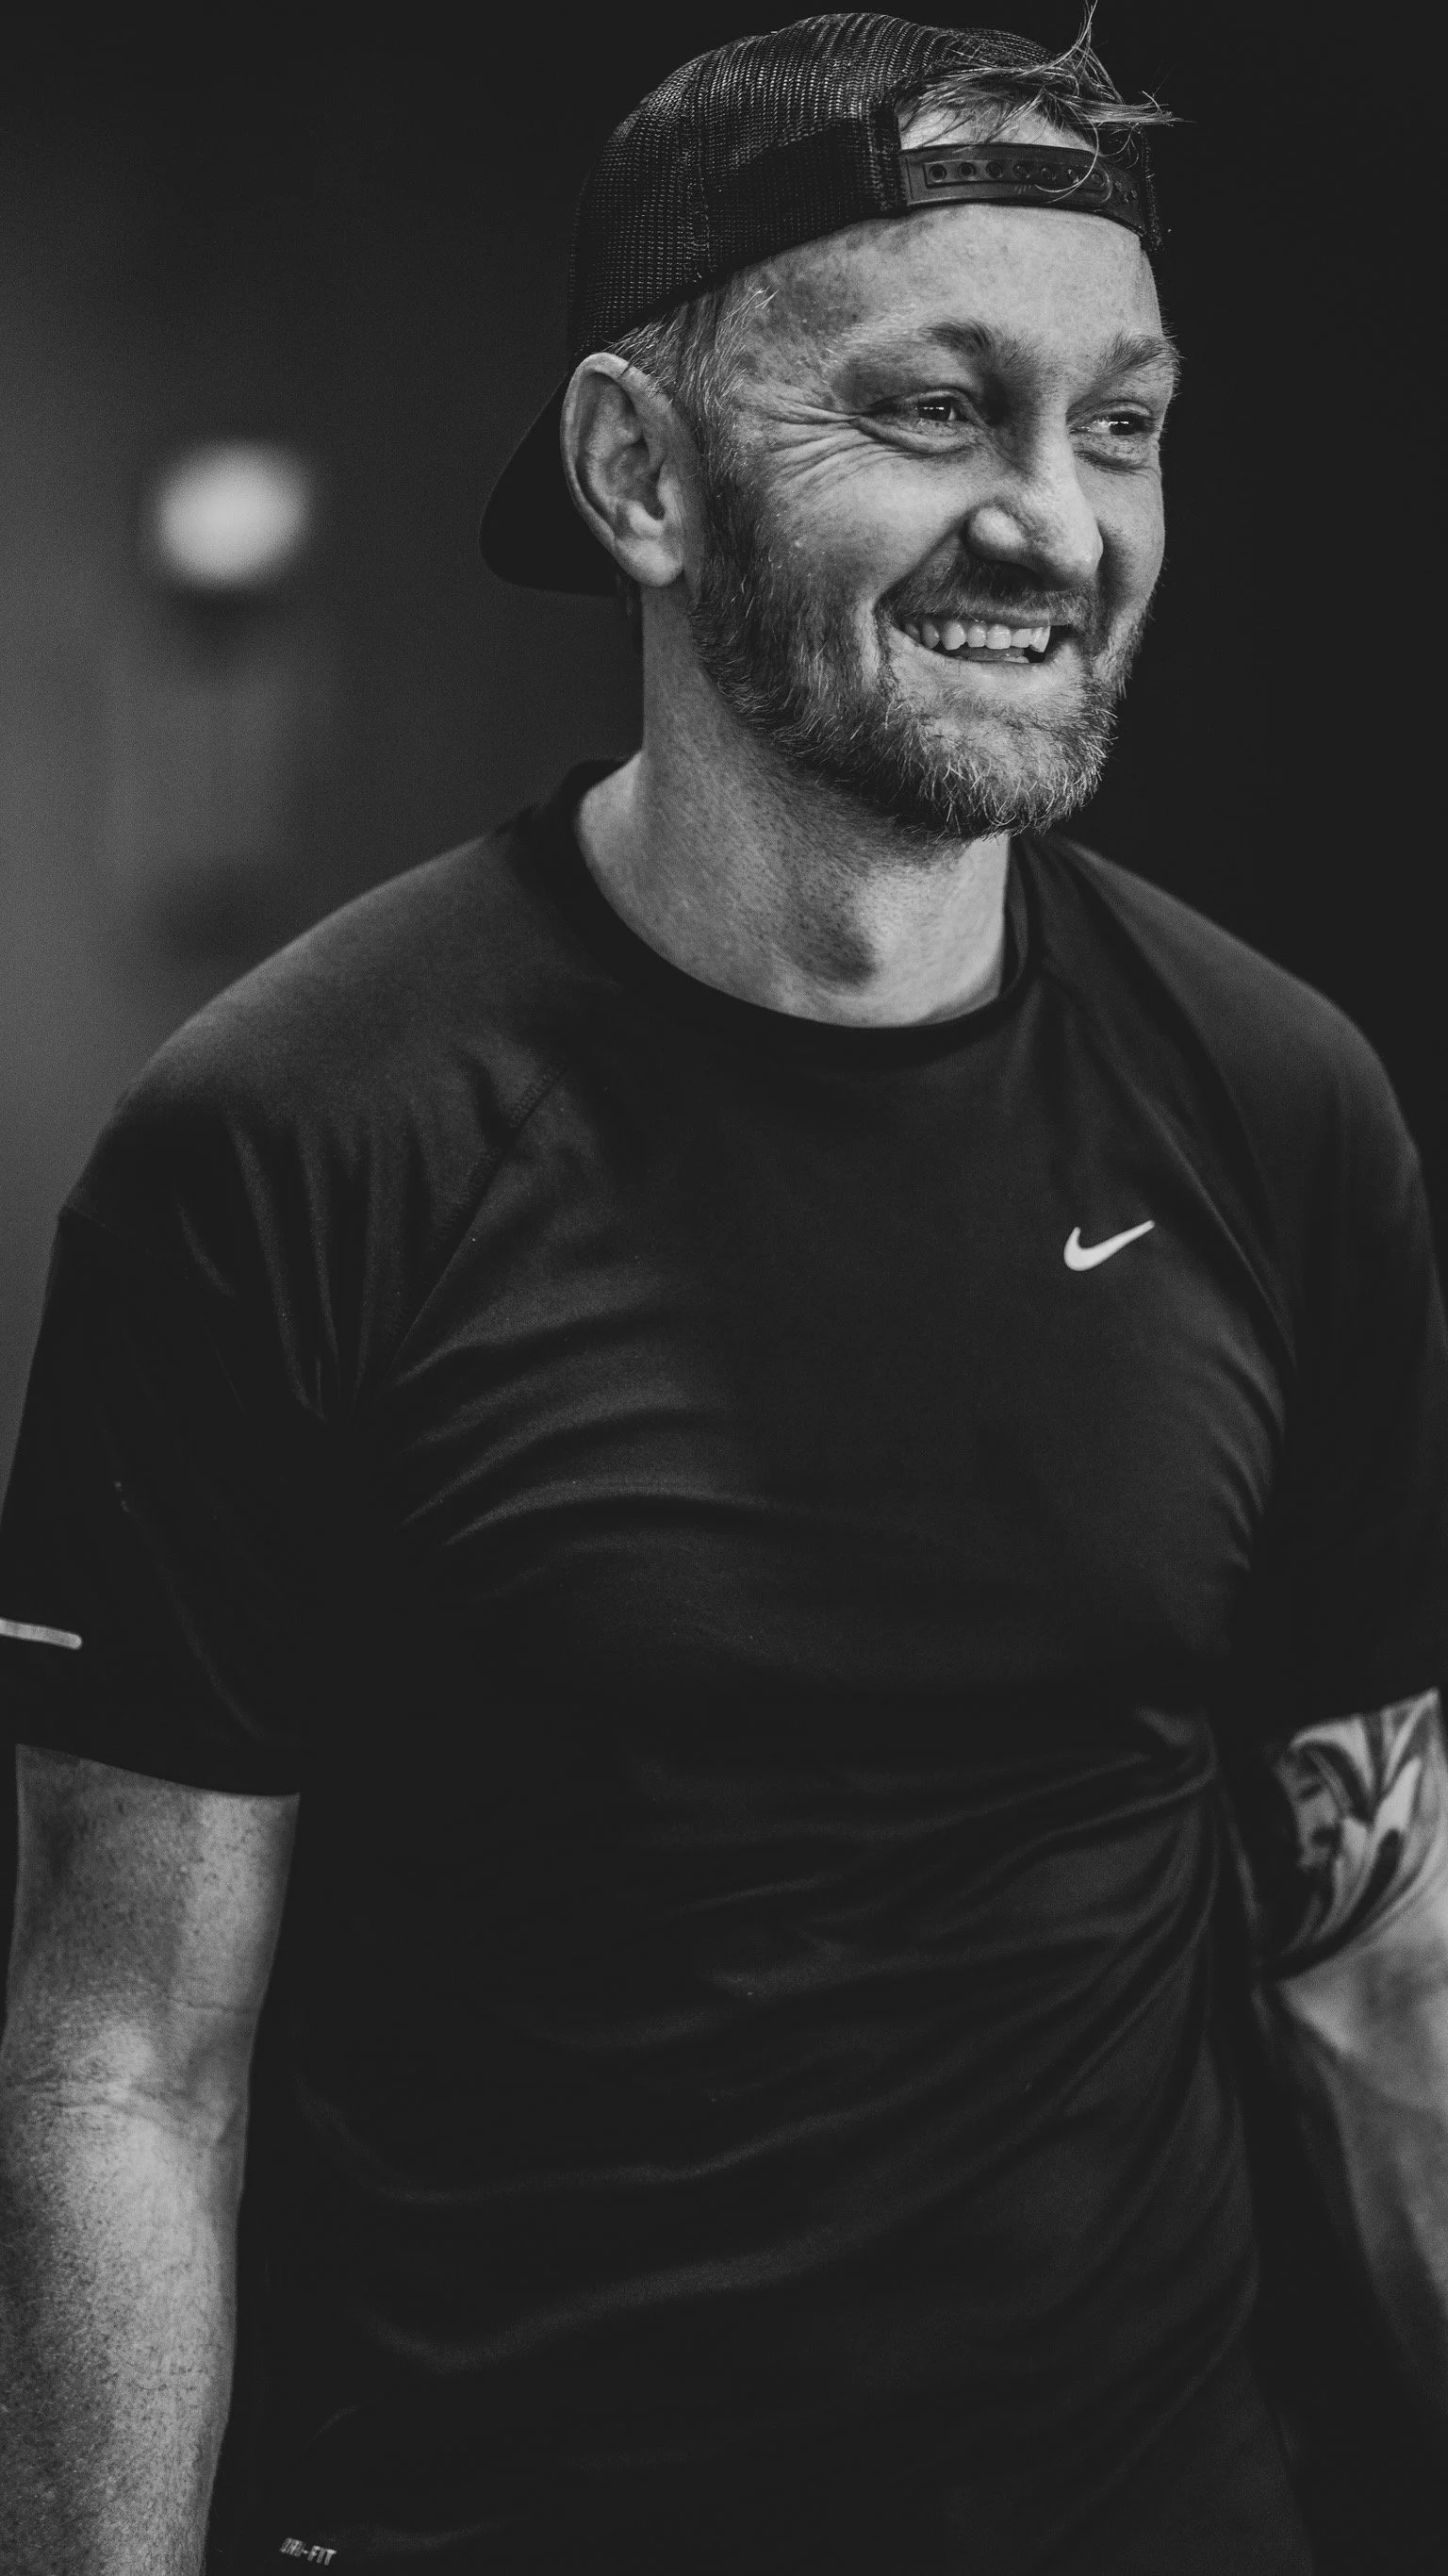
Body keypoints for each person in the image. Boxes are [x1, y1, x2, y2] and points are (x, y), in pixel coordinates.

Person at [2, 14, 1446, 2573]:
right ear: (639, 476)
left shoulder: (1277, 1104)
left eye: (1122, 426)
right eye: (937, 410)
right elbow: (126, 2068)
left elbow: (1380, 1976)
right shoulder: (290, 1150)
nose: (1059, 522)